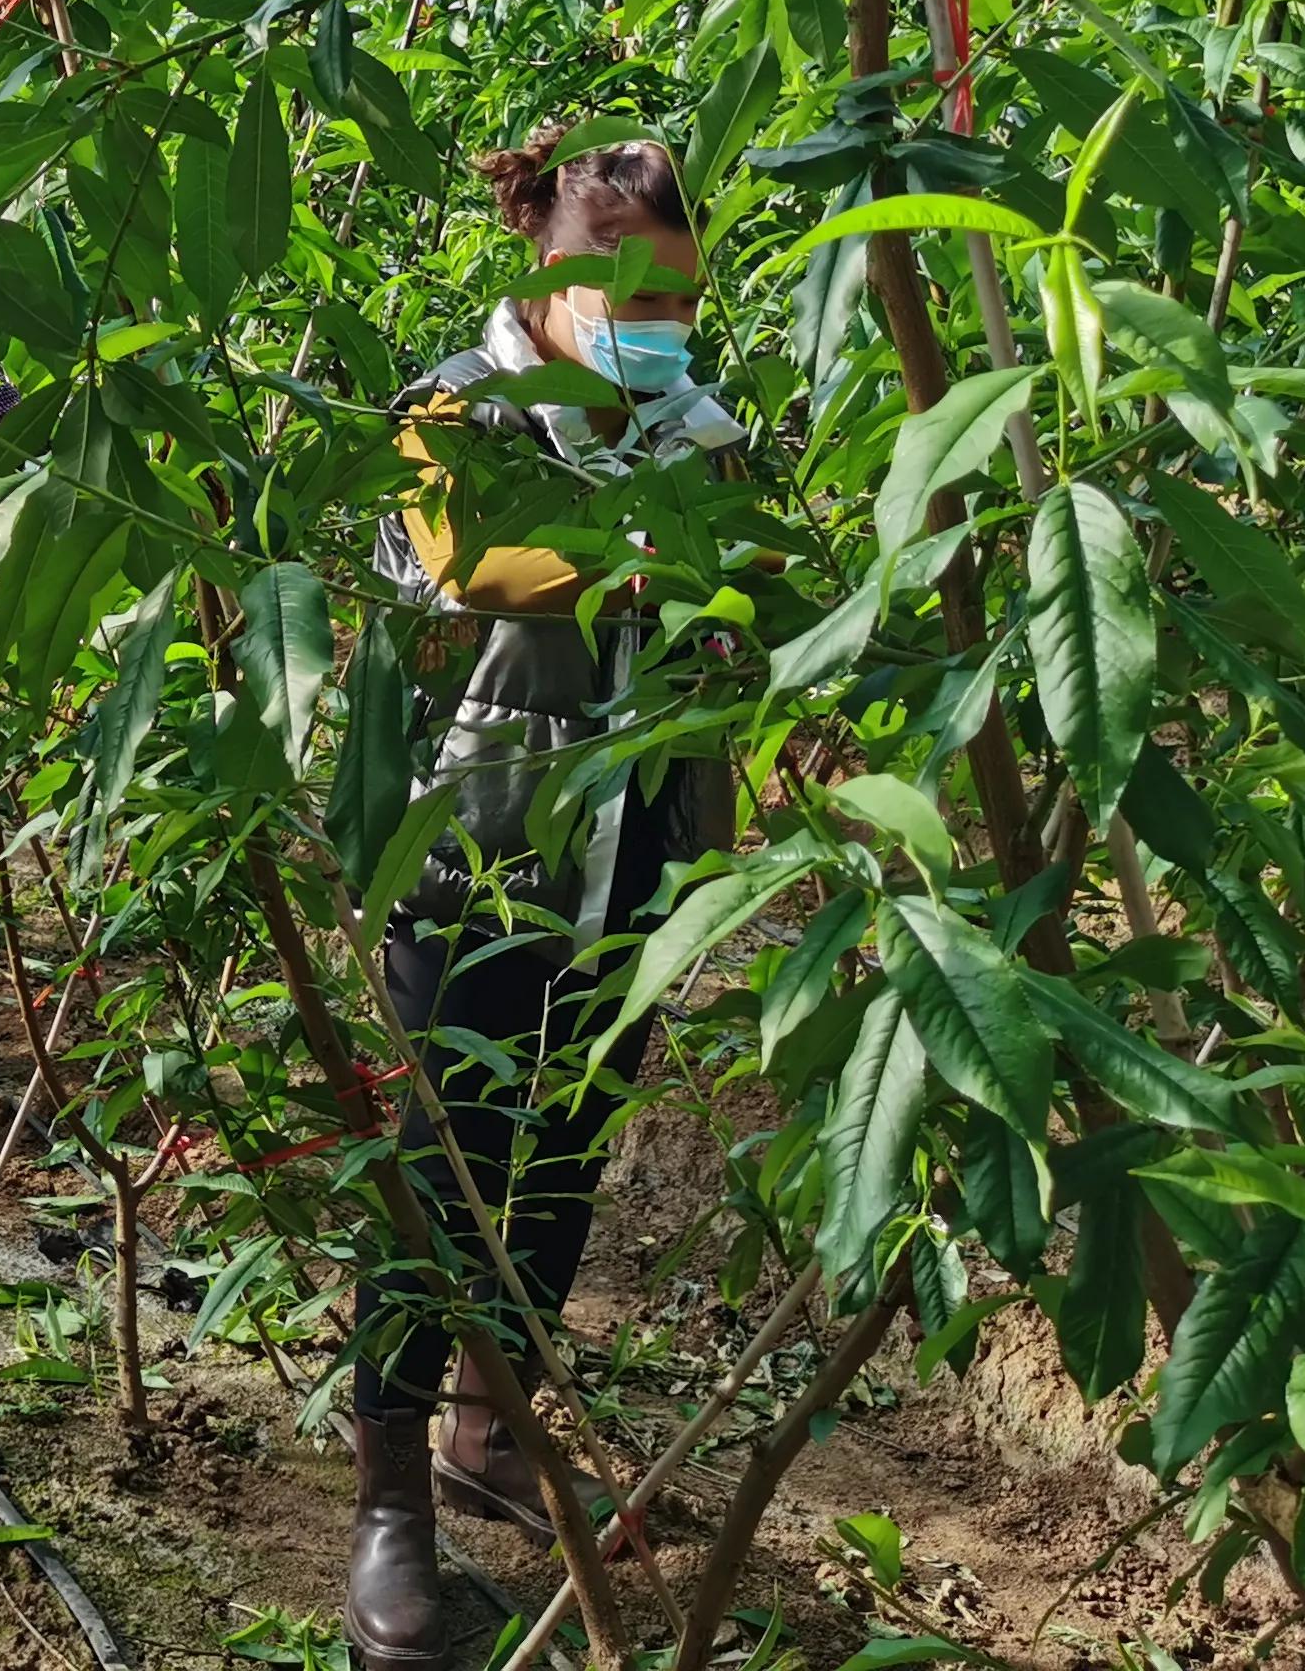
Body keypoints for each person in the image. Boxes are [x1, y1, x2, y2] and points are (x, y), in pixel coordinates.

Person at [342, 130, 744, 1669]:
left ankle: (490, 1434)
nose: (653, 324)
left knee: (565, 1160)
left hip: (631, 862)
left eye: (676, 296)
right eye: (623, 293)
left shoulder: (698, 430)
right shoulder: (459, 409)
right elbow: (471, 564)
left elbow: (741, 619)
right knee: (441, 1179)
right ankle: (391, 1510)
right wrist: (648, 565)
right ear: (550, 271)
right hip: (472, 853)